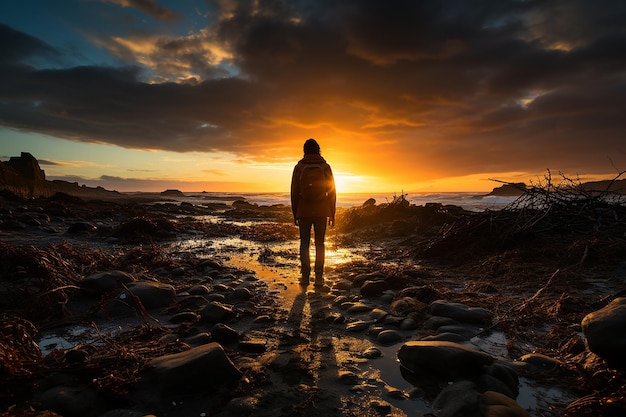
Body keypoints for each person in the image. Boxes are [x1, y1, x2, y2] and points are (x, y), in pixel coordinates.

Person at [291, 138, 336, 291]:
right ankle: (318, 278)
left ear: (304, 150)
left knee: (304, 244)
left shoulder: (299, 167)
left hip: (303, 210)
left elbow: (294, 192)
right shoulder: (325, 167)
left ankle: (305, 277)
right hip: (322, 210)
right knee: (320, 244)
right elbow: (332, 191)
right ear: (318, 150)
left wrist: (295, 213)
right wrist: (332, 213)